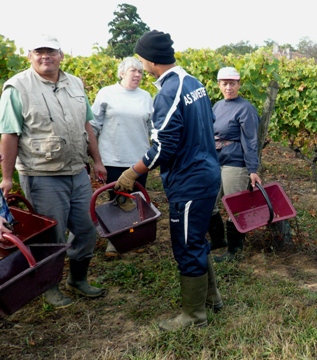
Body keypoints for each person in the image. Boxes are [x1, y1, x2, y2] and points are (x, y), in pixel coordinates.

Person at [114, 30, 222, 331]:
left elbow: (164, 146)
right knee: (196, 238)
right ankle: (212, 300)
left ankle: (193, 317)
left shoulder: (169, 92)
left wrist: (133, 171)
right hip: (206, 173)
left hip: (190, 181)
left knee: (186, 246)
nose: (140, 64)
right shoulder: (194, 83)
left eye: (140, 59)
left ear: (150, 60)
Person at [0, 34, 107, 308]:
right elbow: (9, 134)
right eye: (39, 51)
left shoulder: (75, 83)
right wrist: (7, 177)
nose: (45, 56)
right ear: (30, 55)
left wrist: (96, 161)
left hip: (77, 171)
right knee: (52, 237)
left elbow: (86, 126)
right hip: (42, 175)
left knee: (86, 230)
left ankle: (77, 279)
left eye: (51, 51)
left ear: (61, 54)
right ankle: (50, 286)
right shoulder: (17, 88)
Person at [90, 56, 153, 256]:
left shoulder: (146, 97)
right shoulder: (107, 93)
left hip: (139, 159)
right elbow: (93, 126)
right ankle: (115, 241)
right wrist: (95, 158)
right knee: (116, 200)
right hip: (113, 157)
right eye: (133, 70)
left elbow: (153, 128)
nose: (137, 75)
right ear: (122, 73)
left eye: (140, 71)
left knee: (137, 200)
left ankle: (134, 237)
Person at [209, 66, 262, 263]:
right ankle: (218, 240)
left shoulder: (245, 108)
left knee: (234, 205)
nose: (228, 87)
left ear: (239, 85)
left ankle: (234, 250)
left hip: (235, 163)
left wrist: (252, 169)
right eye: (225, 83)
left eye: (232, 83)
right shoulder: (217, 106)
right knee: (209, 201)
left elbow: (250, 141)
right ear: (219, 85)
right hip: (215, 161)